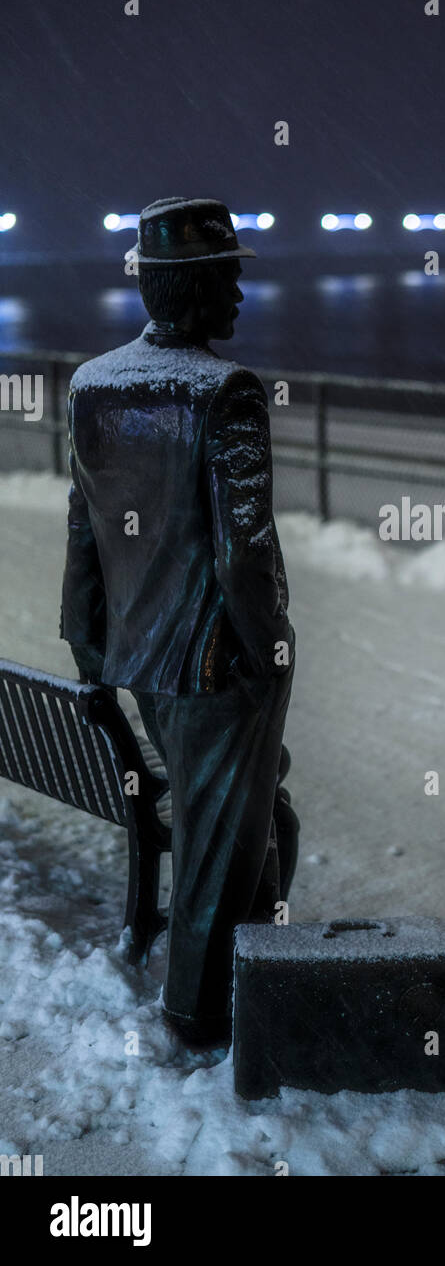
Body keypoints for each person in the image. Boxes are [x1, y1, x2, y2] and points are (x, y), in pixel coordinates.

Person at [60, 196, 297, 1046]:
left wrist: (86, 635)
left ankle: (252, 978)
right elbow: (246, 548)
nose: (238, 296)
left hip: (141, 656)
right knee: (214, 853)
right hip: (215, 666)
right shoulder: (225, 393)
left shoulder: (96, 384)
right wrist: (272, 645)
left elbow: (84, 523)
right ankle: (196, 1016)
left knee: (247, 821)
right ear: (193, 287)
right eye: (229, 277)